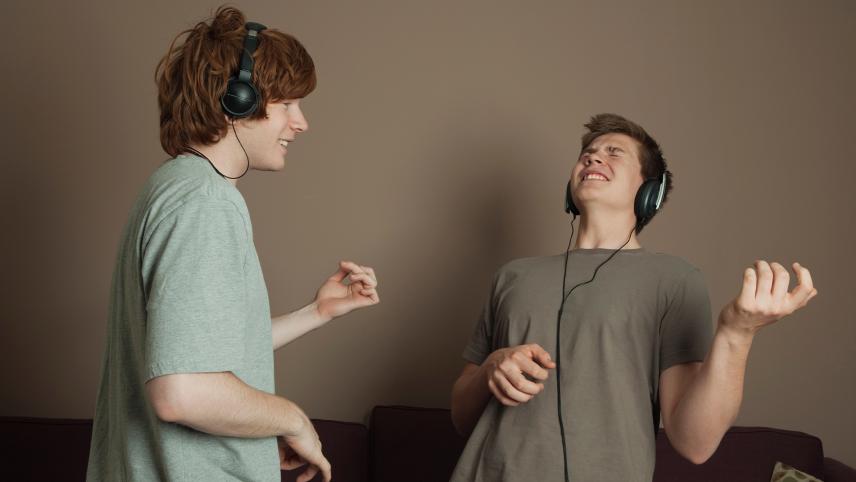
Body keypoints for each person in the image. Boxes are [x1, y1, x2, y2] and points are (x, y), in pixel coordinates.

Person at [86, 7, 378, 482]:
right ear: (236, 101)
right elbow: (181, 391)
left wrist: (318, 312)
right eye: (287, 104)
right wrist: (291, 419)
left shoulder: (174, 187)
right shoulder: (205, 203)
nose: (301, 123)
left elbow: (194, 350)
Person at [449, 113, 817, 482]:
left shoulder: (675, 279)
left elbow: (695, 443)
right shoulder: (512, 276)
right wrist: (491, 367)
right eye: (587, 154)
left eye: (614, 153)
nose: (593, 157)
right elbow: (461, 417)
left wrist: (737, 334)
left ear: (648, 192)